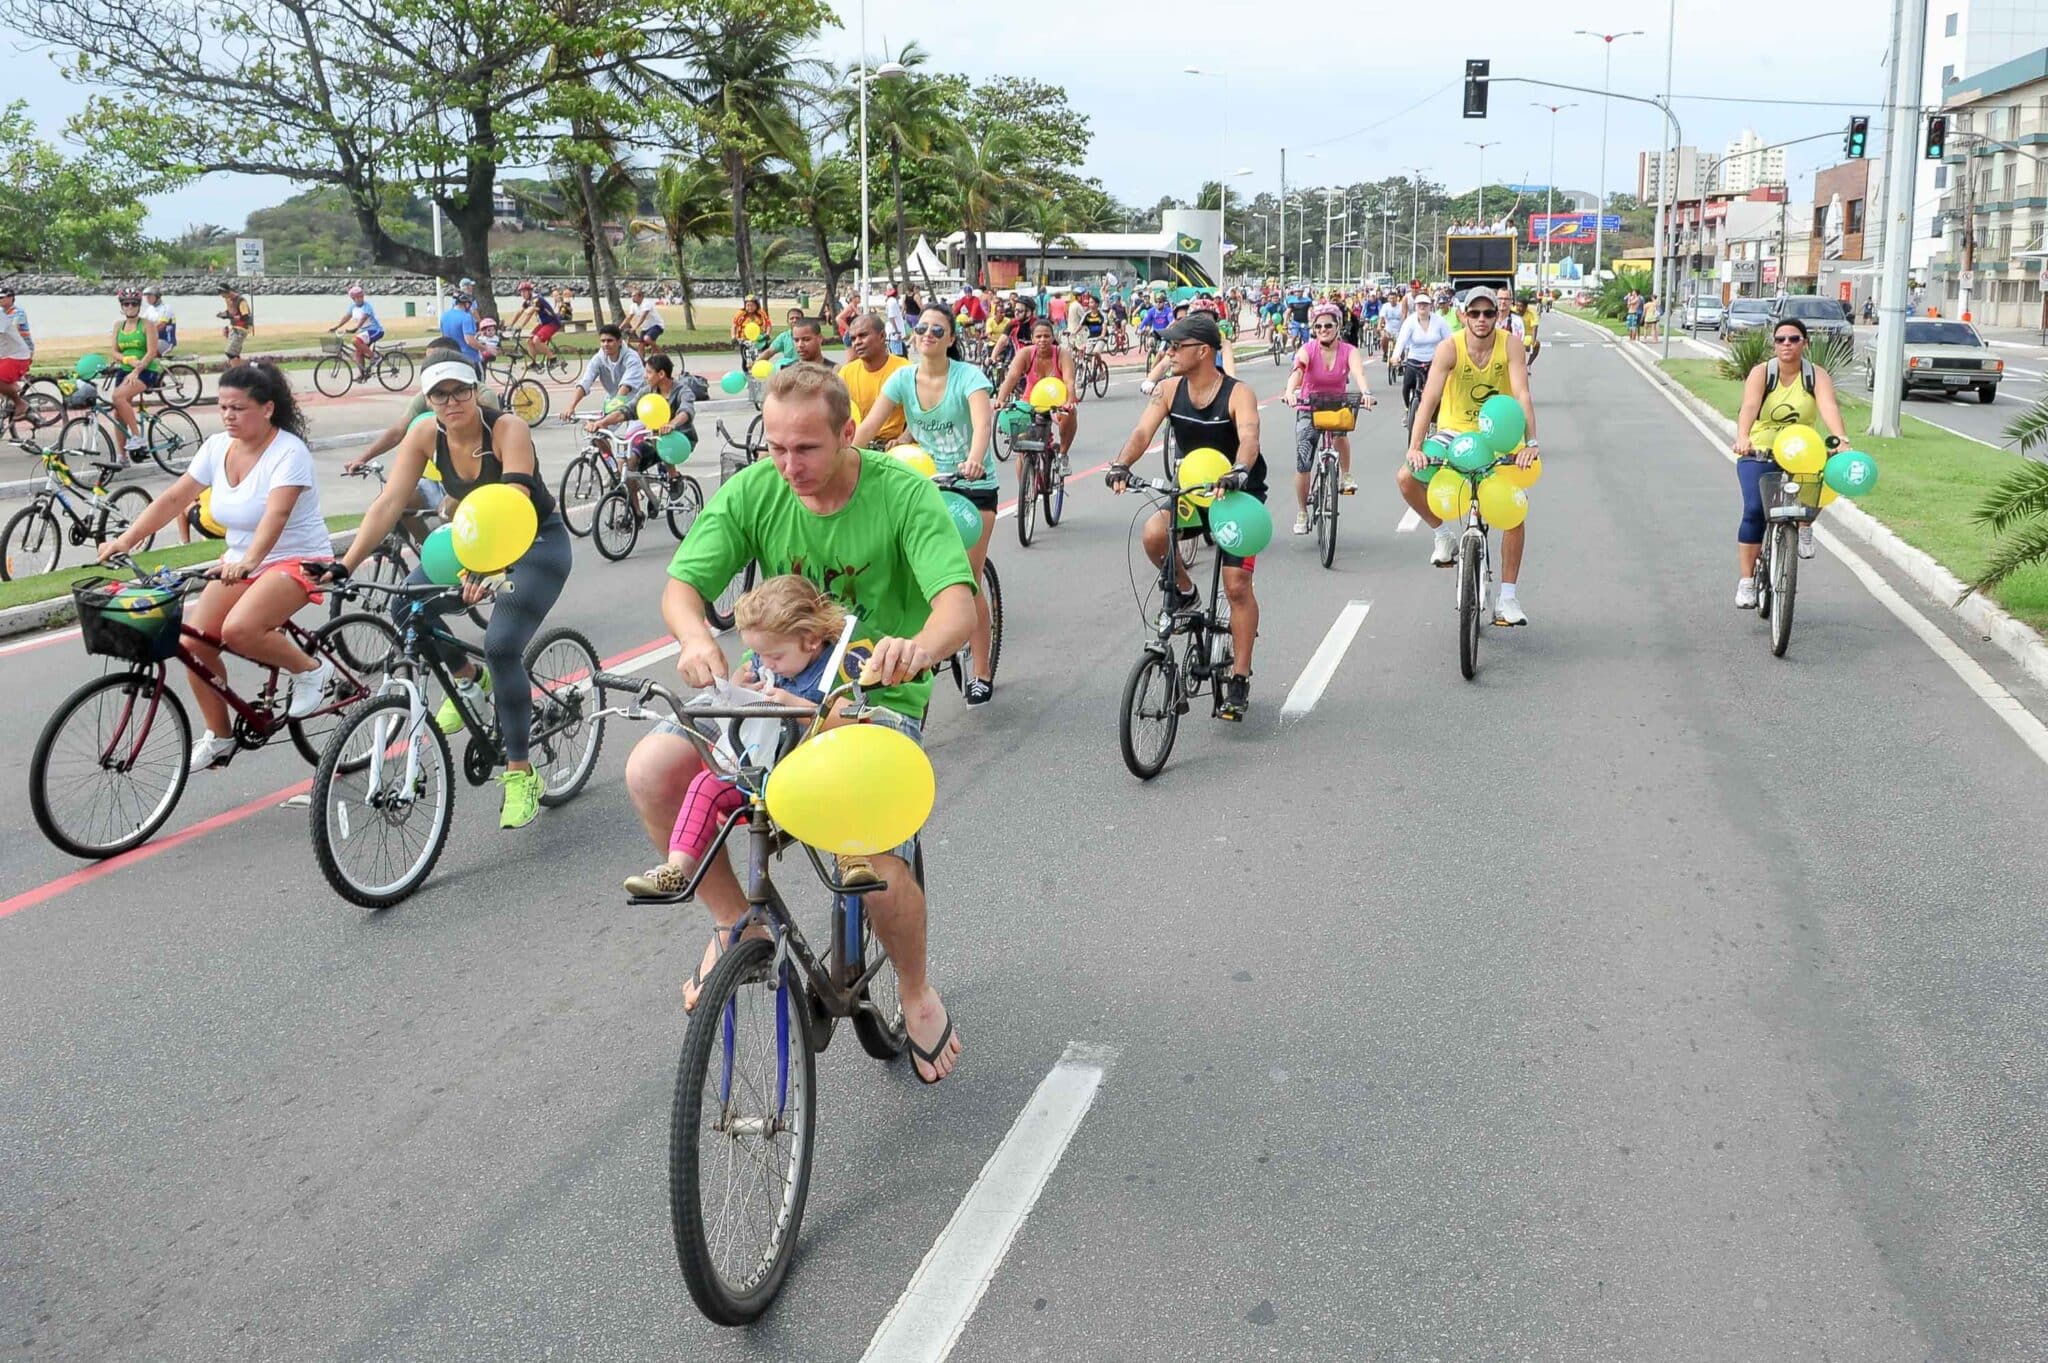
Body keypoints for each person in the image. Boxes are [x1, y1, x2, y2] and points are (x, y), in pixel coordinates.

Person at [629, 362, 974, 1081]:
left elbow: (957, 608)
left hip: (872, 698)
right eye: (777, 447)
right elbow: (682, 588)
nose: (789, 465)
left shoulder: (901, 493)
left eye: (807, 449)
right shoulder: (759, 489)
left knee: (872, 853)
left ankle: (914, 990)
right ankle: (736, 919)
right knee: (653, 769)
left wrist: (920, 648)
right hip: (771, 692)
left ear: (848, 434)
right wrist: (695, 639)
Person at [343, 354, 573, 829]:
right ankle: (471, 679)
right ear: (427, 401)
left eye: (460, 391)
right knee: (404, 605)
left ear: (476, 390)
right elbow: (389, 503)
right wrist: (342, 566)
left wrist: (487, 569)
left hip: (535, 543)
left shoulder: (507, 429)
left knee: (503, 644)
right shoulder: (425, 434)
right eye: (439, 395)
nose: (451, 402)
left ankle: (519, 773)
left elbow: (514, 504)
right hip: (474, 544)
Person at [99, 362, 336, 769]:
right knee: (193, 643)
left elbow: (275, 517)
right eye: (223, 407)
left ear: (267, 409)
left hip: (295, 558)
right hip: (240, 562)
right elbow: (174, 499)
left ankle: (312, 670)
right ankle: (220, 736)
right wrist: (126, 539)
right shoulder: (215, 447)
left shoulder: (289, 453)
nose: (228, 416)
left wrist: (249, 562)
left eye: (238, 408)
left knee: (240, 630)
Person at [623, 576, 874, 899]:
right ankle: (678, 868)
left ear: (811, 640)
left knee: (838, 782)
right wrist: (740, 685)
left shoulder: (835, 664)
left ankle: (853, 858)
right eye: (758, 655)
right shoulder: (767, 660)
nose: (766, 664)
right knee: (705, 784)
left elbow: (857, 719)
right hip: (762, 770)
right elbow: (748, 684)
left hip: (813, 775)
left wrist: (799, 706)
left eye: (775, 657)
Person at [1105, 314, 1263, 720]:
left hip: (1235, 492)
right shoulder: (1168, 389)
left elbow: (1249, 439)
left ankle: (1240, 678)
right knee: (1154, 534)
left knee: (1237, 585)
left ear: (1203, 351)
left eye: (1176, 347)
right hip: (1193, 490)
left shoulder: (1237, 392)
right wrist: (1121, 464)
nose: (1169, 353)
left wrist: (1238, 472)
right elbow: (1142, 434)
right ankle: (1186, 590)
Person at [852, 304, 998, 706]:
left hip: (972, 486)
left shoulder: (969, 377)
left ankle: (982, 671)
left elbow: (982, 424)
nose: (928, 335)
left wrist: (973, 458)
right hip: (923, 484)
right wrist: (845, 458)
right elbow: (867, 426)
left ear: (951, 339)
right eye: (922, 329)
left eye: (938, 330)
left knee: (966, 580)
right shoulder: (902, 379)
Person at [1398, 287, 1540, 625]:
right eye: (1474, 313)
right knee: (1405, 477)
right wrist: (1415, 447)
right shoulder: (1450, 348)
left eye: (1488, 313)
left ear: (1497, 316)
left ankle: (1507, 598)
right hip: (1454, 433)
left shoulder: (1511, 345)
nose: (1481, 319)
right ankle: (1442, 535)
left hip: (1498, 434)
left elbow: (1522, 393)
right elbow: (1430, 398)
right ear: (1463, 315)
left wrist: (1531, 442)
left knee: (1513, 510)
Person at [1731, 316, 1849, 594]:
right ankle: (1747, 581)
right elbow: (1749, 406)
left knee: (1821, 481)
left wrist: (1841, 438)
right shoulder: (1762, 373)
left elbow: (1828, 406)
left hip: (1801, 451)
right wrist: (1743, 436)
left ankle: (1805, 525)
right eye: (1780, 339)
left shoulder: (1815, 375)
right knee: (1754, 511)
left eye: (1794, 339)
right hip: (1760, 450)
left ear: (1804, 343)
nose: (1787, 344)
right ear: (1774, 345)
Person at [1280, 302, 1377, 532]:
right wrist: (1289, 392)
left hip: (1336, 405)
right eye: (1319, 326)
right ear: (1313, 328)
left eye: (1329, 325)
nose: (1324, 329)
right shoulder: (1308, 349)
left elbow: (1358, 372)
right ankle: (1303, 512)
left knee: (1341, 433)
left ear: (1338, 327)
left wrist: (1366, 393)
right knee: (1304, 460)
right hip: (1308, 406)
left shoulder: (1349, 351)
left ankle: (1346, 475)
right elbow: (1298, 372)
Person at [993, 317, 1078, 466]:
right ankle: (1024, 487)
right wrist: (1000, 399)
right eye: (1038, 336)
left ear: (1053, 337)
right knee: (1022, 451)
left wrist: (1070, 401)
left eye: (1046, 336)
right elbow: (1011, 377)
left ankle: (1063, 454)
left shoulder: (1062, 354)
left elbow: (1069, 381)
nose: (1042, 340)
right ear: (1032, 338)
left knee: (1071, 413)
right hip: (1030, 401)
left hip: (1056, 402)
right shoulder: (1024, 354)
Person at [838, 313, 911, 445]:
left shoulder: (905, 369)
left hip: (893, 446)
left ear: (882, 336)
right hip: (858, 444)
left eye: (863, 335)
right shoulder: (846, 373)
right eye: (853, 338)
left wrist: (904, 439)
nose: (857, 343)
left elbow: (922, 414)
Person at [107, 290, 163, 458]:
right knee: (118, 412)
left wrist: (137, 370)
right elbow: (114, 352)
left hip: (146, 370)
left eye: (134, 304)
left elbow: (152, 352)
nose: (130, 307)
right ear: (121, 306)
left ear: (139, 306)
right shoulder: (118, 325)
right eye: (126, 304)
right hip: (125, 369)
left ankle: (137, 437)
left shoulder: (147, 324)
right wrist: (127, 361)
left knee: (118, 397)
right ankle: (122, 456)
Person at [560, 324, 646, 422]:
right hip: (614, 401)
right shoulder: (598, 359)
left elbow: (626, 386)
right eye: (603, 341)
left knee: (633, 435)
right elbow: (585, 382)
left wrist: (613, 410)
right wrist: (571, 406)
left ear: (619, 342)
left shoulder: (632, 358)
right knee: (598, 432)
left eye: (610, 341)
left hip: (637, 403)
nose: (605, 344)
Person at [1390, 293, 1451, 427]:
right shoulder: (1410, 322)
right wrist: (1395, 356)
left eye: (1425, 304)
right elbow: (1401, 341)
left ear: (1430, 306)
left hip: (1434, 361)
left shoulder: (1439, 321)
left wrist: (1451, 358)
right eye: (1419, 305)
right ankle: (1407, 410)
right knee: (1407, 385)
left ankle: (1435, 421)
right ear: (1416, 307)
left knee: (1438, 390)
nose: (1422, 307)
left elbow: (1449, 341)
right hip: (1414, 359)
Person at [328, 284, 385, 378]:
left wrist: (356, 328)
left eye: (361, 296)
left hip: (375, 331)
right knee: (358, 353)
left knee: (355, 341)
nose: (360, 298)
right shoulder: (353, 307)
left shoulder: (367, 306)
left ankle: (374, 357)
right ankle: (363, 374)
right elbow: (346, 317)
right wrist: (336, 327)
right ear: (353, 298)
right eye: (357, 297)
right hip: (364, 333)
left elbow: (363, 318)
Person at [506, 280, 563, 367]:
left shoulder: (537, 299)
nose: (522, 294)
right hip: (544, 323)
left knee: (536, 340)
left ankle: (553, 359)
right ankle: (533, 363)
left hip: (552, 323)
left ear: (529, 291)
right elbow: (519, 312)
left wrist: (520, 326)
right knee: (529, 340)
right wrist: (511, 325)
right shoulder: (529, 300)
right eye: (521, 292)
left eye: (524, 292)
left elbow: (529, 313)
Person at [0, 285, 32, 419]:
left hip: (18, 356)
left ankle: (20, 403)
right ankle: (9, 390)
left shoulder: (4, 315)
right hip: (7, 355)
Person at [439, 290, 481, 365]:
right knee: (479, 376)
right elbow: (469, 341)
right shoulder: (466, 317)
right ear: (466, 303)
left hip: (451, 356)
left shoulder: (444, 316)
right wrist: (485, 348)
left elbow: (443, 337)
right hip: (469, 358)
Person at [217, 284, 254, 360]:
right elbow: (231, 311)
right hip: (233, 327)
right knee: (234, 354)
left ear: (227, 292)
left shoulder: (241, 300)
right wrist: (223, 314)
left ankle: (244, 368)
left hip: (242, 328)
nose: (222, 296)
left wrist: (229, 317)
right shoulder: (228, 299)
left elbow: (245, 316)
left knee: (230, 353)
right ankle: (239, 370)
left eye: (222, 294)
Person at [141, 287, 177, 355]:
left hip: (166, 342)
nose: (147, 299)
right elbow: (141, 322)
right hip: (153, 340)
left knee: (148, 349)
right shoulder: (150, 309)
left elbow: (160, 326)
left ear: (157, 296)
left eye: (149, 297)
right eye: (146, 297)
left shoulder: (166, 308)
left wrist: (143, 332)